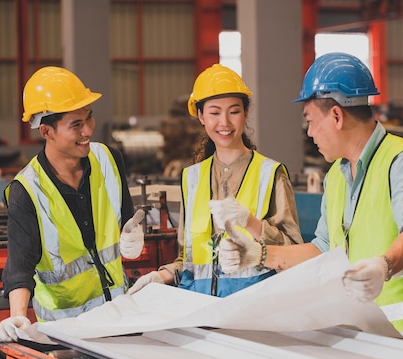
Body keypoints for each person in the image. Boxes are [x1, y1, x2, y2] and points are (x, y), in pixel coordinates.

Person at [216, 53, 403, 347]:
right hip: (367, 336)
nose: (309, 132)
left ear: (336, 115)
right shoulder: (336, 177)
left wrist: (384, 266)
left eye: (310, 120)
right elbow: (322, 250)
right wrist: (259, 255)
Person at [0, 66, 145, 345]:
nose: (88, 130)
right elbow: (19, 265)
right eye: (76, 125)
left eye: (89, 118)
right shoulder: (26, 190)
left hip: (120, 319)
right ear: (46, 131)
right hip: (66, 333)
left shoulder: (109, 159)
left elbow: (125, 220)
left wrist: (132, 233)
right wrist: (17, 316)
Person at [128, 63, 303, 297]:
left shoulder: (270, 174)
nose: (225, 123)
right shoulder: (191, 178)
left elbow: (294, 252)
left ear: (246, 112)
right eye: (214, 112)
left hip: (253, 308)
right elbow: (189, 258)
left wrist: (250, 222)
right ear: (200, 116)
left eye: (234, 111)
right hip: (201, 310)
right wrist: (162, 275)